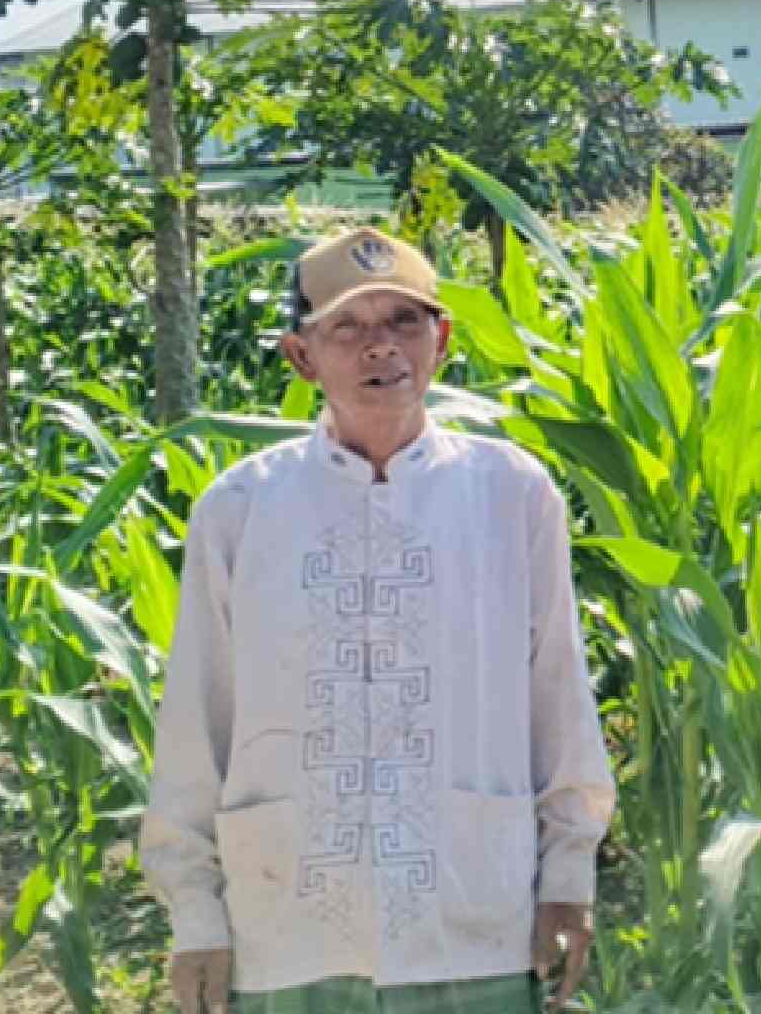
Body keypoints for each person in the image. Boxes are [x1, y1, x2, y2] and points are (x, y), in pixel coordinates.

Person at [141, 227, 615, 1014]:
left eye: (403, 321)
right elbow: (198, 719)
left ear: (442, 340)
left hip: (474, 916)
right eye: (348, 329)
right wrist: (194, 912)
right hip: (288, 926)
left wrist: (568, 872)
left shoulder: (511, 493)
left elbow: (557, 693)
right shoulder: (239, 509)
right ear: (302, 356)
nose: (380, 349)